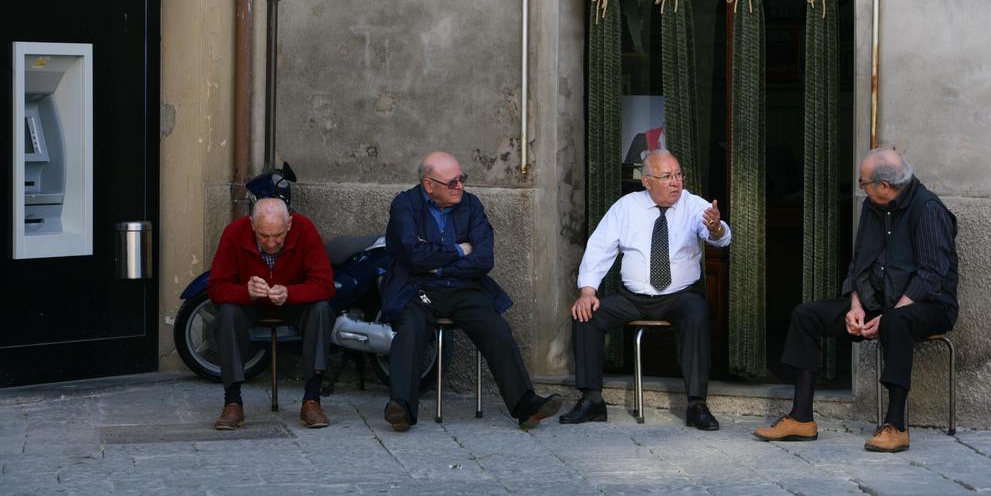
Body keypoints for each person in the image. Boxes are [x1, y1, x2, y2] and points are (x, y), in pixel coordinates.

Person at [754, 148, 958, 452]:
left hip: (928, 306)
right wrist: (856, 305)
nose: (860, 188)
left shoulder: (927, 209)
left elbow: (932, 276)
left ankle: (896, 425)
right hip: (878, 301)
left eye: (863, 183)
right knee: (806, 314)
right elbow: (858, 263)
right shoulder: (874, 207)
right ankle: (801, 418)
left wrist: (890, 315)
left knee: (897, 321)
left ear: (885, 186)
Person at [380, 151, 562, 431]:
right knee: (411, 329)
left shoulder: (472, 206)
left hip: (463, 288)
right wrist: (457, 250)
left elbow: (483, 260)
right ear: (429, 185)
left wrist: (439, 268)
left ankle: (526, 405)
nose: (460, 187)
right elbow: (413, 257)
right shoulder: (405, 205)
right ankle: (402, 406)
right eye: (452, 182)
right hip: (417, 289)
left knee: (496, 328)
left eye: (461, 179)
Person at [560, 149, 730, 430]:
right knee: (586, 315)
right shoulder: (626, 207)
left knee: (697, 314)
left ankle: (697, 405)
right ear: (647, 181)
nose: (676, 182)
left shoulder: (693, 205)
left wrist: (716, 229)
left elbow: (720, 237)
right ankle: (592, 400)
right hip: (633, 298)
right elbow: (600, 247)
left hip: (681, 296)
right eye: (667, 177)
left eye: (678, 175)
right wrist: (588, 291)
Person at [208, 194, 336, 430]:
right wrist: (246, 292)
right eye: (263, 235)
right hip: (251, 304)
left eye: (278, 235)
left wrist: (290, 293)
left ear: (289, 224)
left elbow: (325, 284)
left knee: (321, 311)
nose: (270, 243)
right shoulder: (234, 232)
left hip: (292, 302)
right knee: (227, 314)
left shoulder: (304, 229)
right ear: (252, 225)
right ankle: (232, 402)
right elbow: (216, 288)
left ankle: (312, 399)